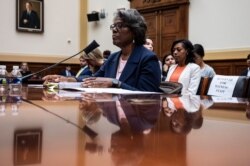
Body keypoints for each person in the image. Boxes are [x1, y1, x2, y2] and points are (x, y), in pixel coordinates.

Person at [82, 9, 161, 92]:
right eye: (113, 26)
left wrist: (116, 84)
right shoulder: (112, 58)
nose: (114, 30)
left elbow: (148, 96)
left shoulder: (148, 59)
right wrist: (73, 80)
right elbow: (94, 79)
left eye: (120, 25)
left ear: (134, 31)